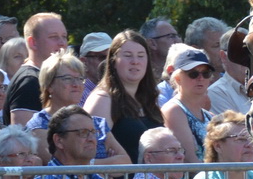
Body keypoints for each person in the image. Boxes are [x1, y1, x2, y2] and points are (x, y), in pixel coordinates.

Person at [25, 52, 131, 165]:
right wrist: (105, 165)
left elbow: (125, 162)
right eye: (67, 78)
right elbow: (61, 164)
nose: (76, 84)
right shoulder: (39, 125)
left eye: (80, 78)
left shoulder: (97, 123)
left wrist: (88, 163)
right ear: (49, 85)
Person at [84, 30, 164, 162]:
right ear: (113, 61)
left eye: (140, 55)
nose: (135, 61)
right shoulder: (102, 100)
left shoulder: (148, 99)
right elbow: (90, 154)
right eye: (128, 56)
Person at [2, 12, 69, 126]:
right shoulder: (29, 82)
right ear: (33, 42)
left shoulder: (40, 78)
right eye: (53, 37)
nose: (62, 43)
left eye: (64, 36)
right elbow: (24, 137)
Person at [160, 44, 216, 163]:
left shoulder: (209, 116)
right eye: (193, 73)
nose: (200, 78)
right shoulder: (173, 110)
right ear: (178, 78)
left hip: (212, 178)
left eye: (206, 73)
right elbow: (189, 160)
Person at [208, 27, 252, 118]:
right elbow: (238, 130)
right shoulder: (216, 93)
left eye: (251, 51)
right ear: (223, 57)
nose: (248, 57)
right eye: (240, 52)